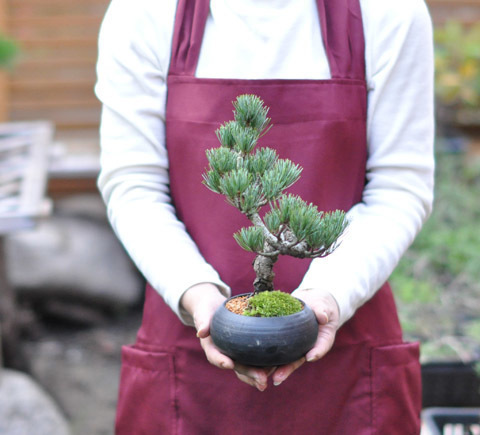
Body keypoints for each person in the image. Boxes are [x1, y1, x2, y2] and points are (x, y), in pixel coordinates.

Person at [95, 0, 434, 433]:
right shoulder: (144, 13)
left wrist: (328, 297)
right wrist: (199, 297)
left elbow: (399, 185)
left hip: (346, 354)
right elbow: (133, 185)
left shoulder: (388, 12)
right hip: (190, 350)